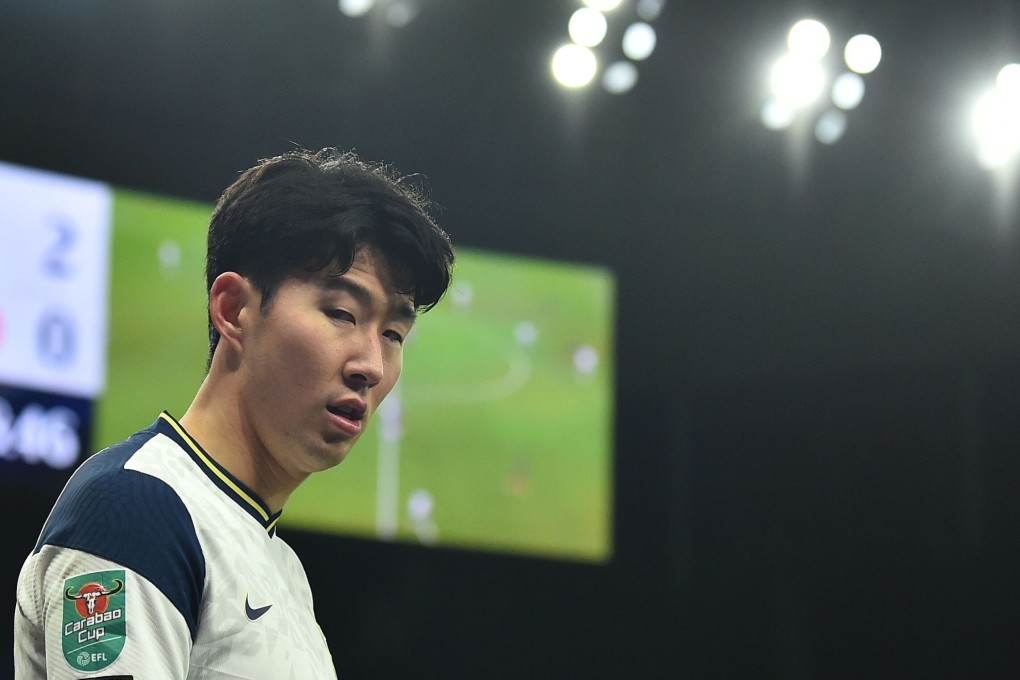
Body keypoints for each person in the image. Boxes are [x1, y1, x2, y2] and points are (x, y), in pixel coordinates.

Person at [14, 148, 455, 679]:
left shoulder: (282, 569)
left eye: (394, 334)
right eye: (342, 314)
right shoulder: (136, 511)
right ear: (233, 310)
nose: (372, 366)